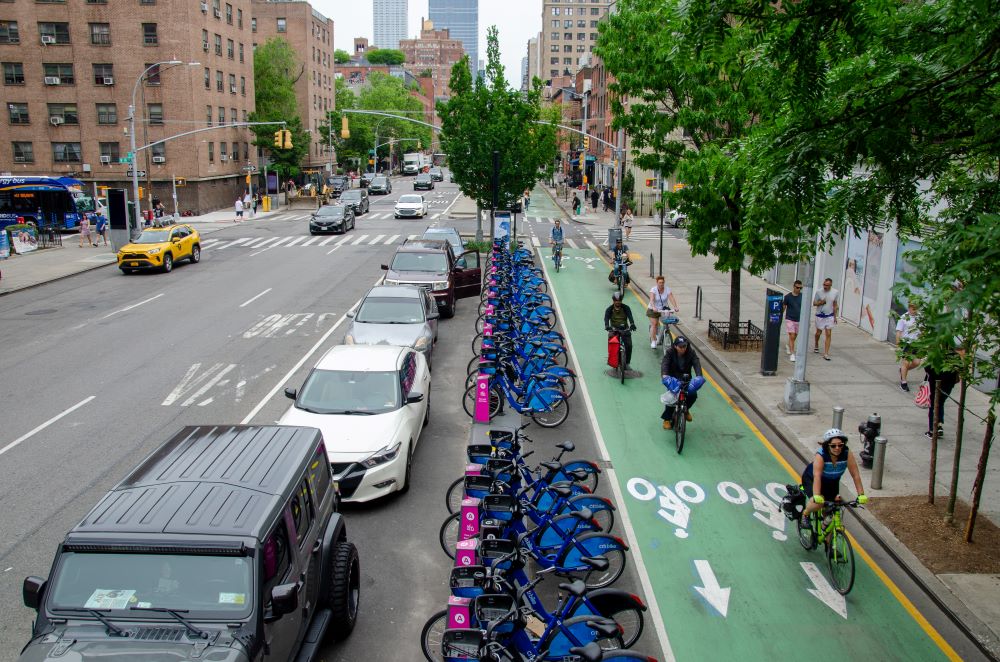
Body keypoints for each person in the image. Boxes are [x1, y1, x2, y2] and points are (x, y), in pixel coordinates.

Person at [800, 428, 868, 524]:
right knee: (818, 503)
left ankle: (826, 535)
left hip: (832, 482)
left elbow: (855, 475)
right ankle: (805, 514)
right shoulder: (821, 455)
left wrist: (861, 494)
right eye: (833, 446)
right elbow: (817, 476)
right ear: (827, 446)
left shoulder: (847, 453)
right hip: (813, 479)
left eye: (840, 445)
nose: (837, 448)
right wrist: (816, 496)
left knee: (831, 513)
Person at [660, 336, 703, 429]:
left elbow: (696, 362)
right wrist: (664, 375)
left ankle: (686, 410)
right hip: (673, 379)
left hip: (686, 379)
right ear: (675, 346)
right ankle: (666, 419)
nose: (683, 349)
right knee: (672, 398)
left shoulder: (691, 352)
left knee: (693, 395)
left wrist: (699, 375)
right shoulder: (670, 352)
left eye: (684, 346)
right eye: (680, 347)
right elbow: (665, 363)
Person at [924, 360, 959, 439]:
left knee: (933, 405)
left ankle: (932, 430)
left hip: (935, 383)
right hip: (948, 384)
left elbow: (927, 368)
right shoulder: (953, 356)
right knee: (940, 403)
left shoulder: (936, 353)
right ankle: (939, 425)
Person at [604, 292, 636, 369]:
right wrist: (607, 326)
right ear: (613, 301)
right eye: (616, 300)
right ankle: (613, 361)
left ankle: (627, 363)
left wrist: (632, 324)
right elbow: (606, 318)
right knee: (612, 344)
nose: (618, 302)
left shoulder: (626, 308)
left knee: (629, 345)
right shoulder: (609, 309)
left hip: (625, 329)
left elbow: (630, 316)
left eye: (619, 300)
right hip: (614, 329)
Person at [647, 275, 679, 348]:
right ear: (657, 283)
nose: (661, 284)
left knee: (667, 322)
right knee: (654, 324)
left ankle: (663, 334)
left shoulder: (667, 289)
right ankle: (653, 340)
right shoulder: (653, 289)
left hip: (663, 309)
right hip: (653, 309)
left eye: (662, 282)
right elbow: (651, 300)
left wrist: (675, 307)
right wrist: (654, 307)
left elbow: (671, 298)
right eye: (659, 282)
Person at [895, 302, 921, 391]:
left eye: (916, 309)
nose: (915, 311)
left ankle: (902, 370)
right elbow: (898, 332)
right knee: (905, 363)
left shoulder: (920, 317)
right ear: (909, 308)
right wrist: (898, 345)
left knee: (917, 362)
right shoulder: (903, 318)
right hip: (906, 343)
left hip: (917, 343)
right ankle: (903, 382)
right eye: (913, 309)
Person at [812, 277, 839, 360]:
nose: (825, 286)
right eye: (824, 284)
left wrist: (835, 317)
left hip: (829, 316)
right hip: (820, 315)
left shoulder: (835, 292)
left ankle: (826, 353)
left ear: (831, 285)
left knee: (828, 334)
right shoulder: (819, 292)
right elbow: (814, 303)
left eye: (827, 285)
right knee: (818, 333)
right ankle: (816, 344)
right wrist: (821, 302)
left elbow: (835, 305)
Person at [783, 280, 803, 361]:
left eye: (800, 288)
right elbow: (784, 307)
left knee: (795, 336)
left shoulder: (803, 296)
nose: (799, 289)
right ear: (794, 287)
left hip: (799, 319)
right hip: (790, 318)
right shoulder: (787, 297)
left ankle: (788, 345)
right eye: (797, 287)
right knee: (792, 335)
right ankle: (792, 353)